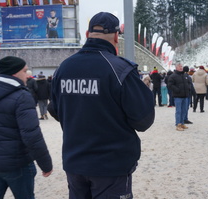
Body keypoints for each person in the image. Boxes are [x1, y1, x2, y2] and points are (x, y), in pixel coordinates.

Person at [49, 12, 155, 199]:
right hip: (111, 165)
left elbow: (55, 110)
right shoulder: (119, 68)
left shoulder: (64, 68)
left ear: (87, 33)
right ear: (116, 36)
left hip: (75, 162)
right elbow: (143, 120)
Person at [0, 56, 53, 199]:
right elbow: (32, 135)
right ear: (14, 73)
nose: (28, 75)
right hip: (17, 162)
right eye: (25, 71)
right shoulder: (21, 96)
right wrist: (46, 164)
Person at [168, 62, 190, 131]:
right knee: (178, 111)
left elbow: (189, 83)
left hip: (185, 95)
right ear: (176, 67)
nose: (181, 67)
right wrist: (177, 90)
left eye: (181, 66)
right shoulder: (173, 76)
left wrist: (188, 88)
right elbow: (170, 85)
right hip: (178, 96)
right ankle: (178, 124)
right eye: (179, 66)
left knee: (184, 110)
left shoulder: (185, 75)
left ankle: (182, 122)